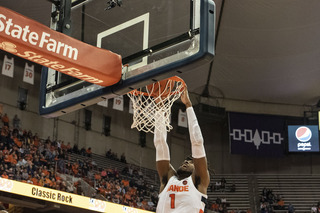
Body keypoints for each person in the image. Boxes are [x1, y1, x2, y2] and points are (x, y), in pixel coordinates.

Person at [154, 88, 210, 213]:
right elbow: (160, 143)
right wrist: (159, 108)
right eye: (186, 160)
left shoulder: (198, 182)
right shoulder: (168, 179)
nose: (185, 162)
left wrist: (189, 106)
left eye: (189, 161)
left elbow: (197, 143)